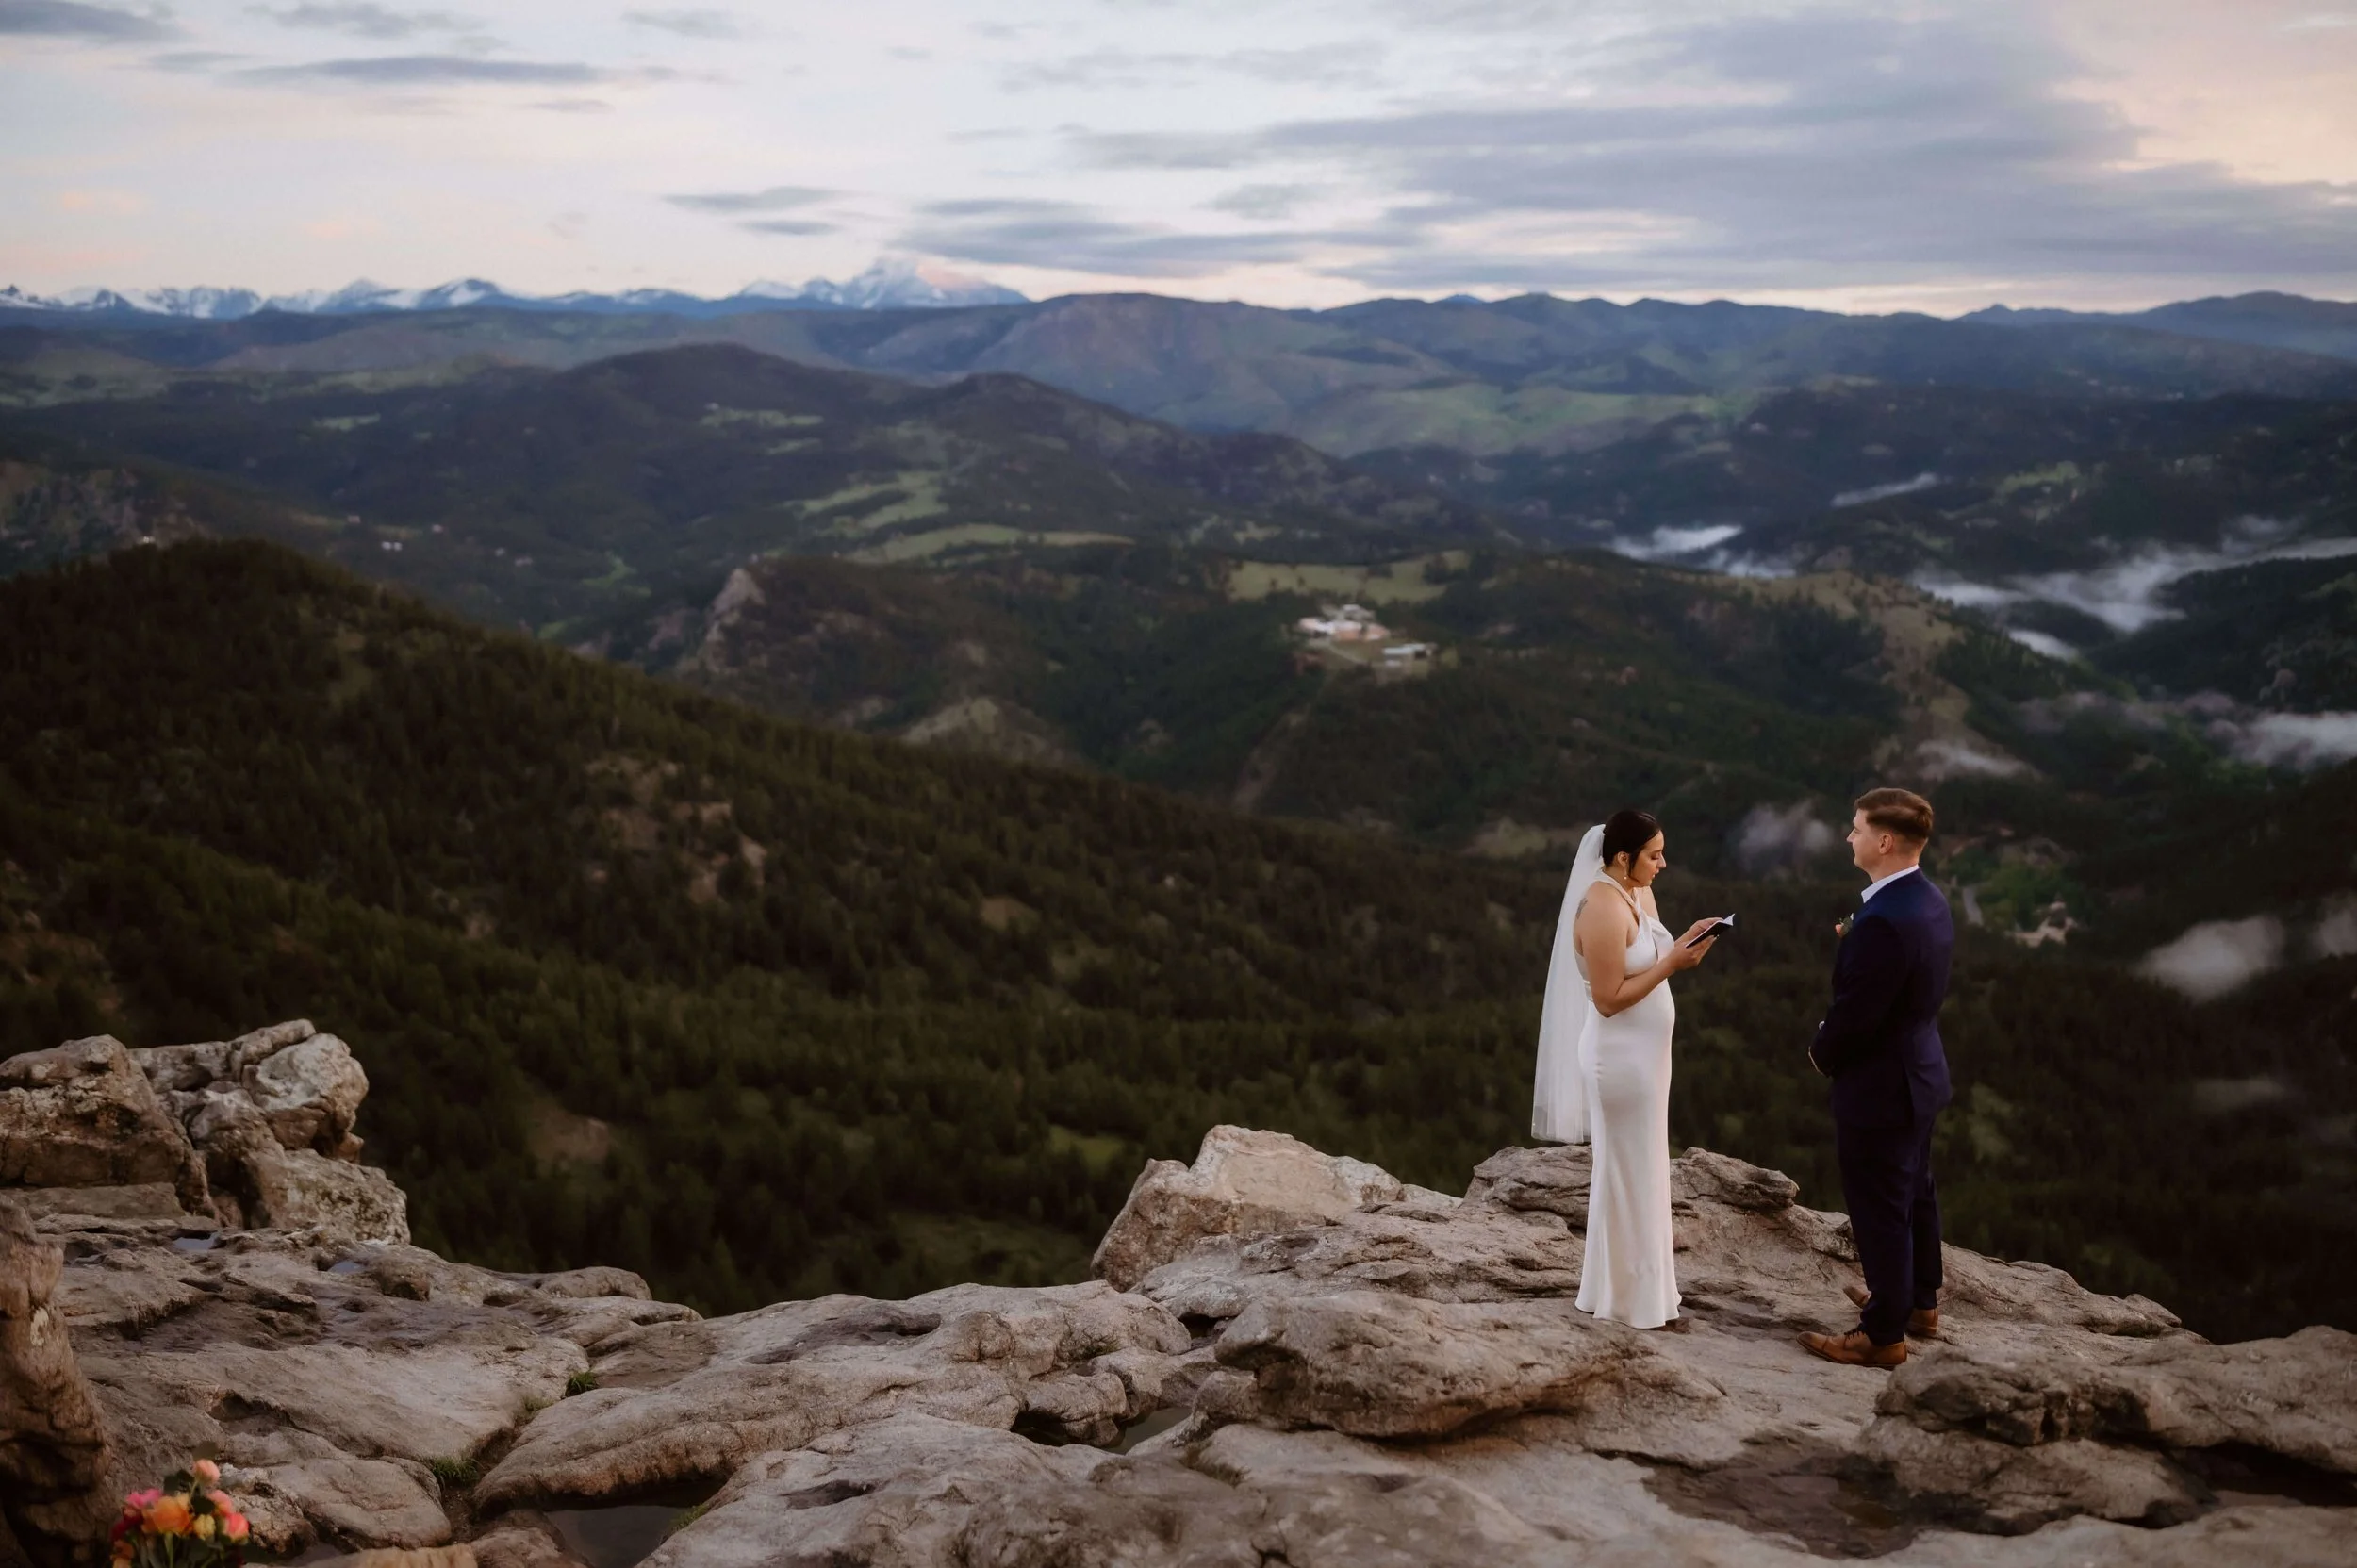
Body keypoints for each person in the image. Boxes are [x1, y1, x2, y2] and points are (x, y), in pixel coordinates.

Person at [1532, 809, 1721, 1329]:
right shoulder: (1600, 907)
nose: (1663, 863)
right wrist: (1671, 965)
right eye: (1654, 855)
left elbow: (1649, 957)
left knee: (1645, 1169)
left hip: (1648, 1062)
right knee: (1626, 1171)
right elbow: (1610, 1000)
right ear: (1623, 857)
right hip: (1616, 1062)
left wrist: (1684, 944)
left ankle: (1635, 1291)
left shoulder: (1638, 894)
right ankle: (1628, 1298)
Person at [1801, 787, 1954, 1368]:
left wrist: (1821, 1052)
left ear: (1884, 841)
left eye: (1857, 827)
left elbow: (1856, 1015)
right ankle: (1918, 1301)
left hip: (1882, 1085)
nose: (1849, 837)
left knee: (1880, 1205)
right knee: (1915, 1191)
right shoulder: (1927, 899)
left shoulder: (1885, 921)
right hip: (1920, 1072)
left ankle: (1883, 1335)